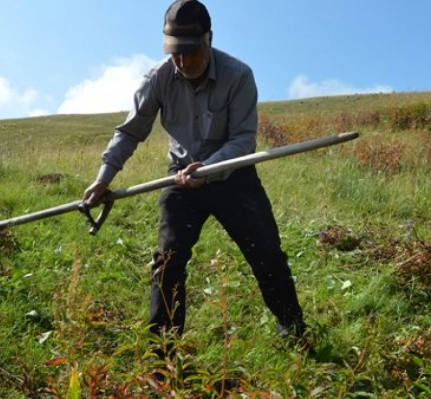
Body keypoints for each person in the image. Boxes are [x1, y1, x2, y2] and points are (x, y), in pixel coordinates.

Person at [83, 0, 308, 346]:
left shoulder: (238, 76)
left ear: (209, 39)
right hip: (181, 178)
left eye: (190, 52)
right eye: (175, 53)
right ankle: (164, 354)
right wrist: (103, 178)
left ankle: (293, 330)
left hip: (234, 175)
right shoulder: (157, 78)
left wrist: (211, 168)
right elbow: (130, 131)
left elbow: (243, 139)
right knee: (167, 262)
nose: (183, 61)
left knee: (267, 252)